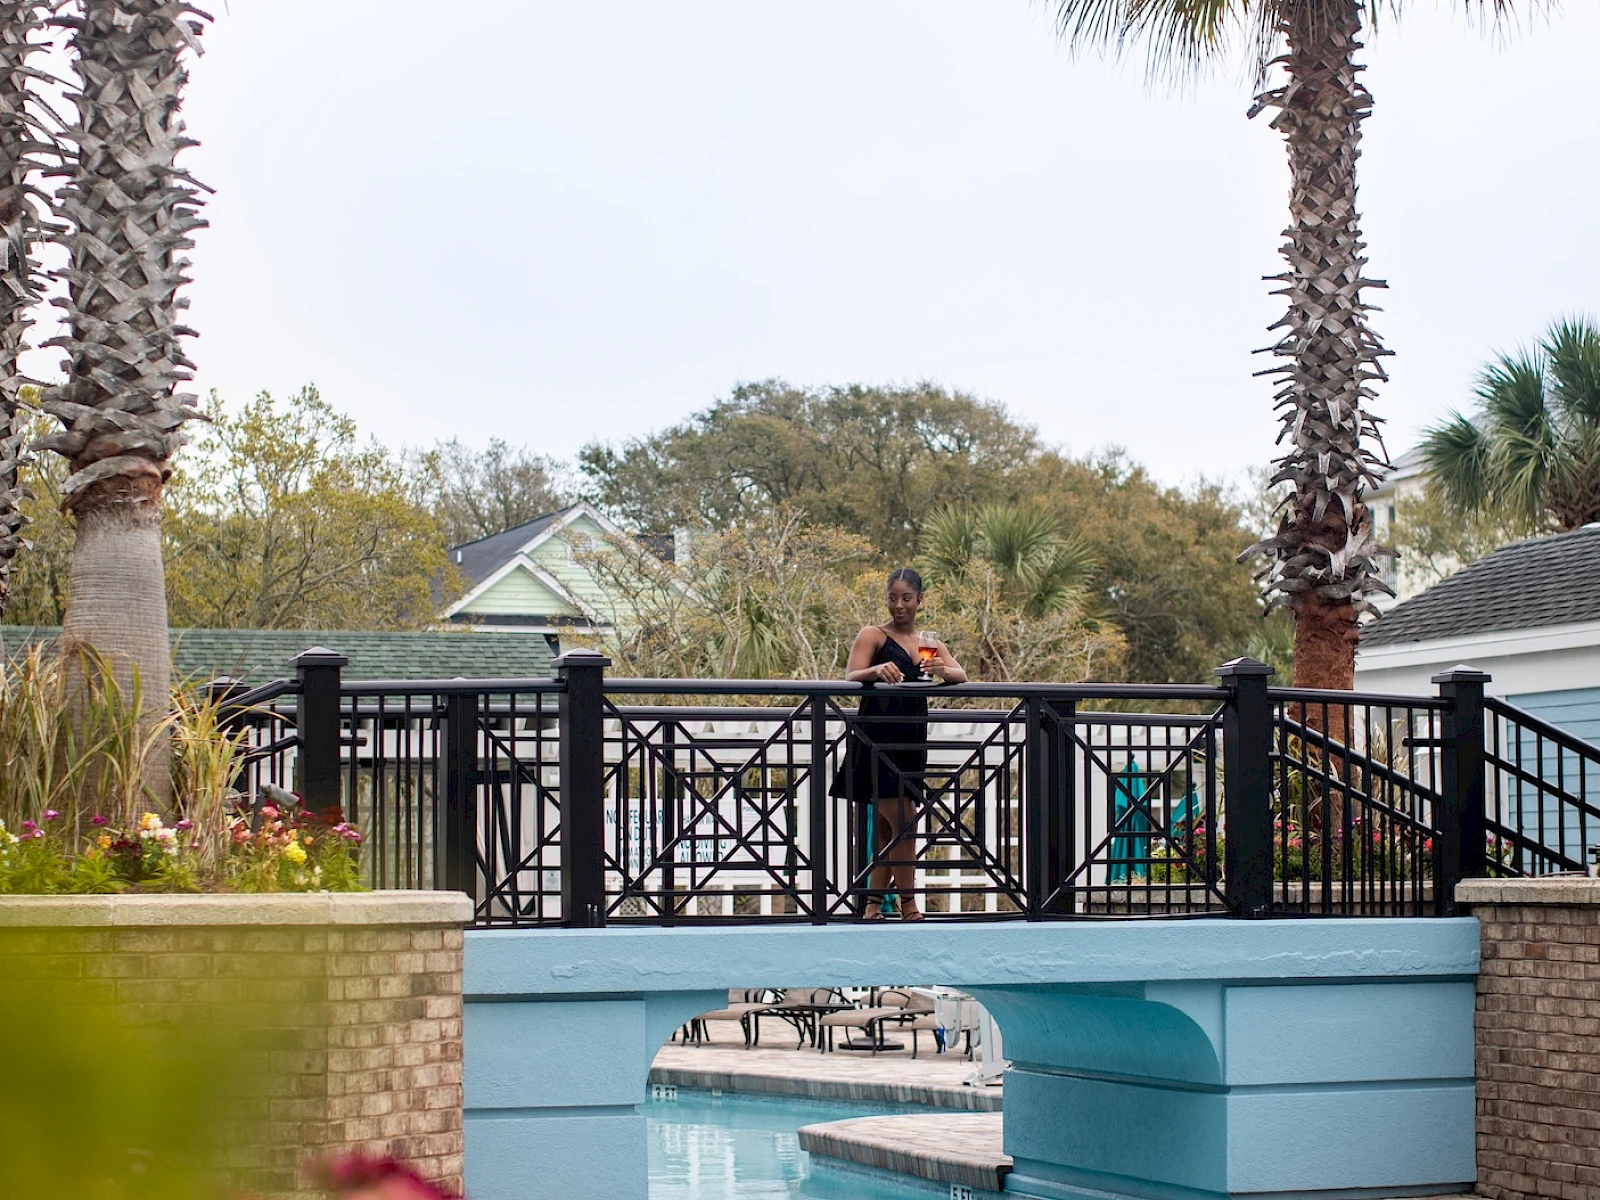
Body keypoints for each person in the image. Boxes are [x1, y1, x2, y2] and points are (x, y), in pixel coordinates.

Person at [830, 567, 967, 921]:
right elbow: (850, 675)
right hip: (878, 736)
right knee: (906, 821)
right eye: (893, 598)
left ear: (920, 600)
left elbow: (960, 674)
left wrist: (940, 670)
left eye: (906, 598)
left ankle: (873, 905)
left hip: (911, 737)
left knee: (891, 828)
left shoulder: (929, 642)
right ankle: (909, 904)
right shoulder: (873, 635)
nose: (899, 605)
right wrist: (875, 672)